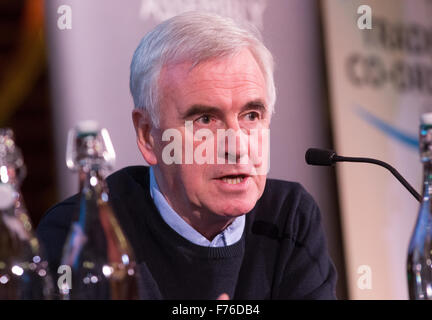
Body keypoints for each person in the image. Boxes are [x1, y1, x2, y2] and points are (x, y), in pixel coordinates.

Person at [37, 11, 337, 299]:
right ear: (147, 136)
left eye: (251, 115)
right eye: (205, 120)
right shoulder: (83, 233)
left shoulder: (287, 218)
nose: (237, 147)